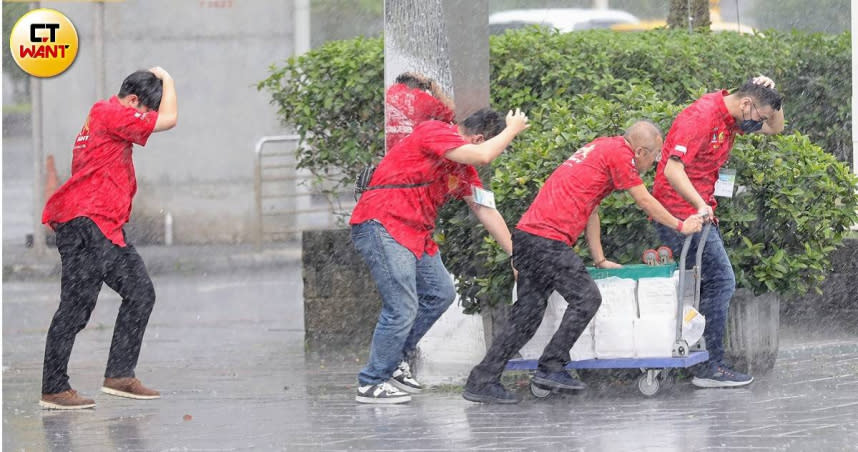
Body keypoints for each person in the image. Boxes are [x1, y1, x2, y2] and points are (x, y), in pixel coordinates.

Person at [464, 120, 703, 404]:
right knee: (587, 298)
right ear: (640, 152)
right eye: (656, 156)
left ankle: (482, 380)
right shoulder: (620, 155)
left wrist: (599, 258)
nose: (655, 163)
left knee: (527, 316)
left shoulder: (602, 148)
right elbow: (645, 201)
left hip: (528, 237)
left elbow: (591, 210)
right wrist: (680, 225)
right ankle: (551, 366)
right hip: (547, 240)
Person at [350, 107, 529, 404]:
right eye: (493, 145)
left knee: (440, 293)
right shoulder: (434, 130)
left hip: (415, 233)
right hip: (383, 223)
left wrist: (516, 254)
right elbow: (482, 156)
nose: (491, 154)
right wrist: (511, 129)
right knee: (402, 305)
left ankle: (394, 362)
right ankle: (372, 381)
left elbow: (484, 208)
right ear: (480, 138)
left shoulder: (462, 169)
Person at [39, 67, 178, 409]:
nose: (145, 120)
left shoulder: (104, 116)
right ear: (133, 100)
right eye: (145, 111)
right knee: (88, 305)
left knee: (127, 296)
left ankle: (114, 376)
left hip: (96, 225)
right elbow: (171, 119)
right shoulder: (111, 112)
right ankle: (60, 386)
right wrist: (169, 78)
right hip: (89, 223)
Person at [652, 76, 784, 388]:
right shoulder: (701, 117)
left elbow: (776, 128)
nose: (760, 123)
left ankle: (695, 359)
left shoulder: (733, 116)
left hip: (698, 211)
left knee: (697, 286)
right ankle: (709, 366)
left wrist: (775, 94)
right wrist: (700, 205)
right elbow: (672, 169)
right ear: (747, 104)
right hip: (679, 213)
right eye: (760, 116)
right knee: (721, 281)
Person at [385, 72, 456, 151]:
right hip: (409, 152)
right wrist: (434, 88)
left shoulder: (388, 93)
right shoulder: (422, 98)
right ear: (422, 88)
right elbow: (455, 117)